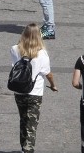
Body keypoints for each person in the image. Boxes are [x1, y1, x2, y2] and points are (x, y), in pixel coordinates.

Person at [10, 23, 58, 153]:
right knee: (31, 124)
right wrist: (53, 85)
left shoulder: (15, 49)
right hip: (35, 93)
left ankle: (23, 148)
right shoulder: (42, 53)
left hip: (19, 91)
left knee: (23, 119)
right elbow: (48, 73)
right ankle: (28, 150)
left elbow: (14, 66)